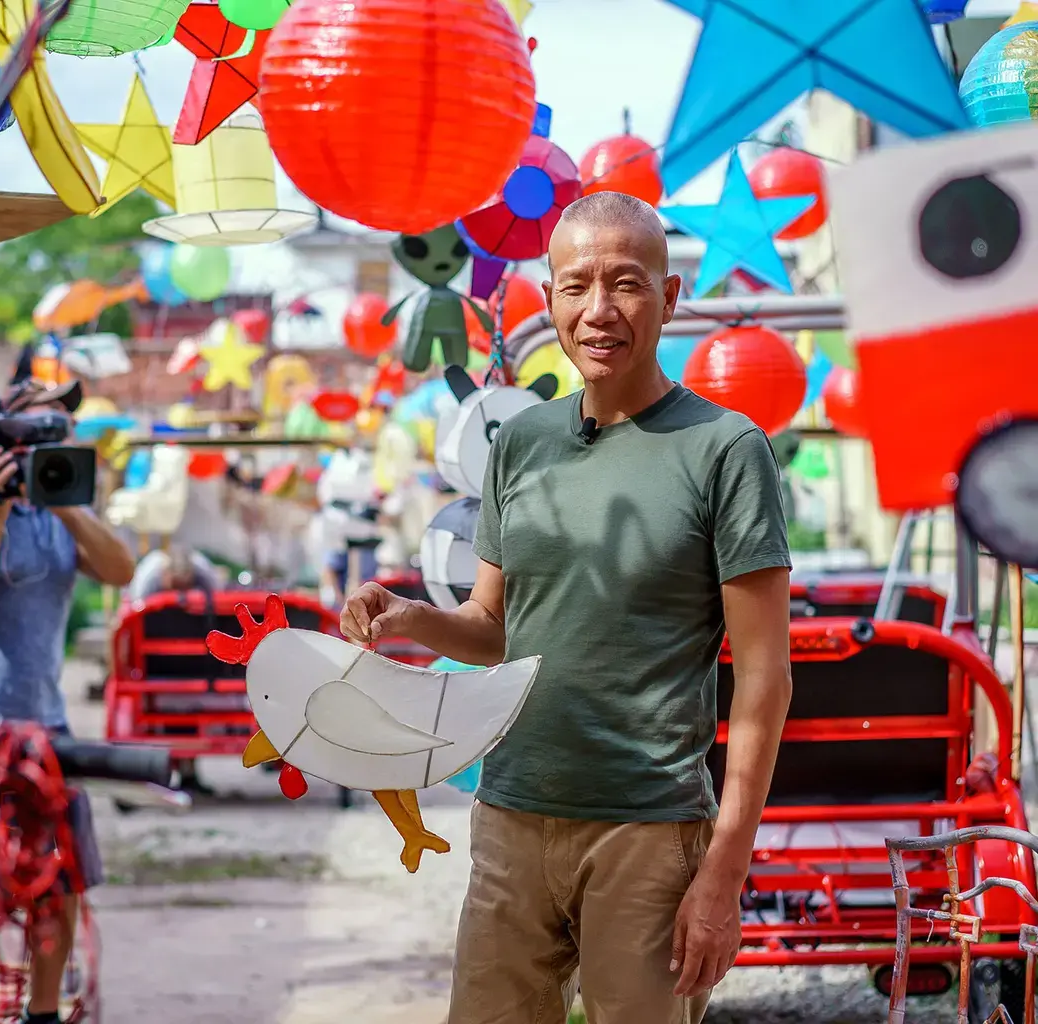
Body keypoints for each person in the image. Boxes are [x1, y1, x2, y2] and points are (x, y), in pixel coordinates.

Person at [340, 192, 793, 1024]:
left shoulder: (725, 449)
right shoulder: (520, 442)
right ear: (548, 300)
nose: (600, 310)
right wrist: (408, 617)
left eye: (626, 283)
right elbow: (493, 631)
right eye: (575, 286)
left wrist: (723, 873)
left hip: (649, 831)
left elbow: (764, 681)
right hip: (511, 815)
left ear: (672, 293)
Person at [0, 378, 136, 1024]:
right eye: (36, 435)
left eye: (57, 436)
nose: (50, 445)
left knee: (55, 882)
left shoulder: (63, 512)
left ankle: (41, 1014)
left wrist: (60, 499)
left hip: (44, 721)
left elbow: (120, 569)